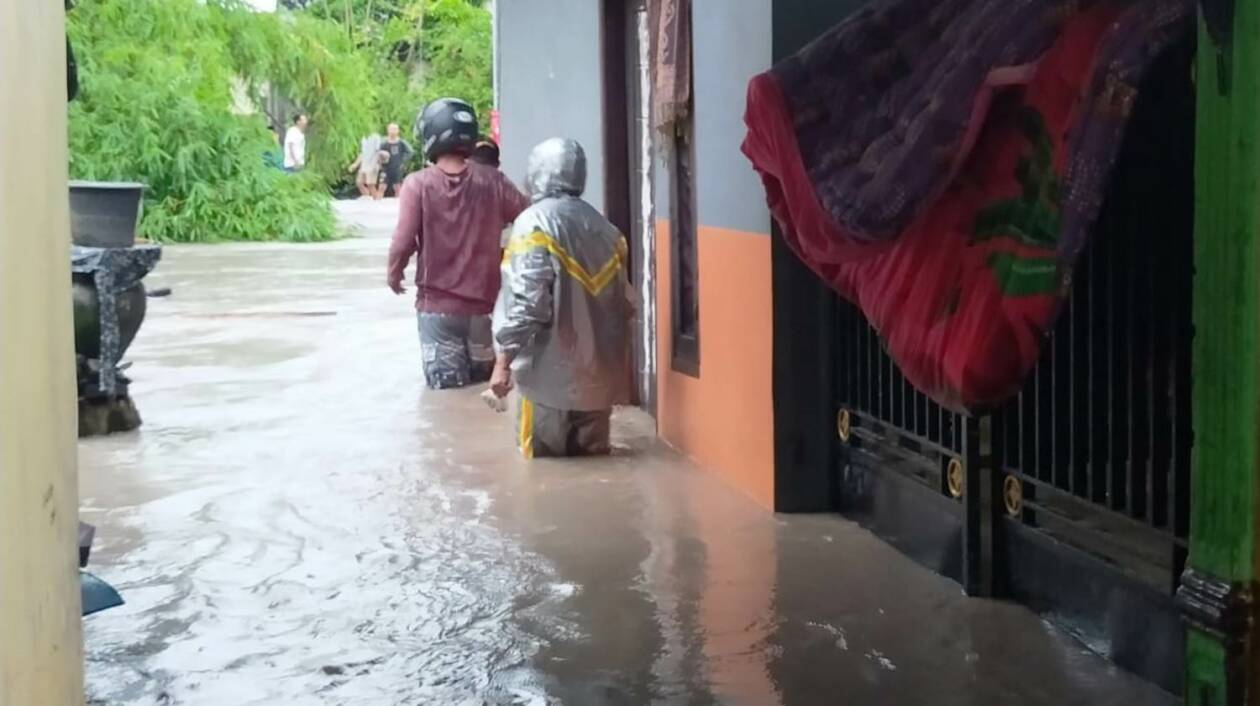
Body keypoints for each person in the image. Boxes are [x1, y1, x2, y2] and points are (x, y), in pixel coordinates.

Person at [489, 138, 633, 458]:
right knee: (594, 471)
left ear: (538, 172)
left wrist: (502, 363)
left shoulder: (532, 224)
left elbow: (527, 305)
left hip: (545, 385)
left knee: (540, 475)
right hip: (598, 388)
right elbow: (625, 306)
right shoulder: (608, 232)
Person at [387, 98, 530, 390]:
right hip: (484, 310)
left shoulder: (418, 184)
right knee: (482, 394)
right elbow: (530, 216)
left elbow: (403, 241)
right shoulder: (493, 181)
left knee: (447, 396)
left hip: (437, 310)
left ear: (430, 135)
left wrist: (394, 273)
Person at [379, 122, 414, 197]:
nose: (393, 131)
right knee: (382, 187)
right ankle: (377, 202)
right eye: (391, 129)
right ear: (388, 130)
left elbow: (410, 152)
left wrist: (403, 162)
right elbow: (376, 152)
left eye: (395, 129)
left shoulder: (401, 142)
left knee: (397, 187)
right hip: (385, 168)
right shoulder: (383, 142)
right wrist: (380, 159)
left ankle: (398, 202)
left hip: (397, 168)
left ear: (398, 131)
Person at [347, 133, 384, 199]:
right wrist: (355, 164)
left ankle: (376, 200)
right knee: (359, 182)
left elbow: (378, 152)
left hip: (372, 164)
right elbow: (362, 153)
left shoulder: (376, 137)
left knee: (370, 184)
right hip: (364, 164)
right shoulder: (364, 137)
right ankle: (367, 197)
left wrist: (375, 164)